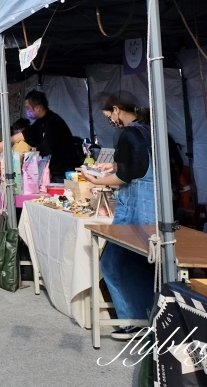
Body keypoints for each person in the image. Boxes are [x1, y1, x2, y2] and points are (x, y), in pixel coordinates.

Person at [81, 94, 156, 340]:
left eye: (108, 117)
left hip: (135, 208)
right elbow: (138, 165)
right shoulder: (149, 130)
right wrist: (113, 167)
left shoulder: (127, 134)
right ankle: (149, 317)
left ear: (116, 110)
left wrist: (97, 180)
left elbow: (126, 177)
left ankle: (130, 320)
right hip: (153, 208)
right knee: (141, 265)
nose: (110, 122)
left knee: (112, 263)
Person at [0, 90, 80, 182]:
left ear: (38, 108)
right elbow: (24, 135)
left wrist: (25, 154)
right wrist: (3, 144)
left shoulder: (53, 122)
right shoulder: (40, 122)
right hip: (53, 172)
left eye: (28, 108)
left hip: (65, 173)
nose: (27, 111)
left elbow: (47, 148)